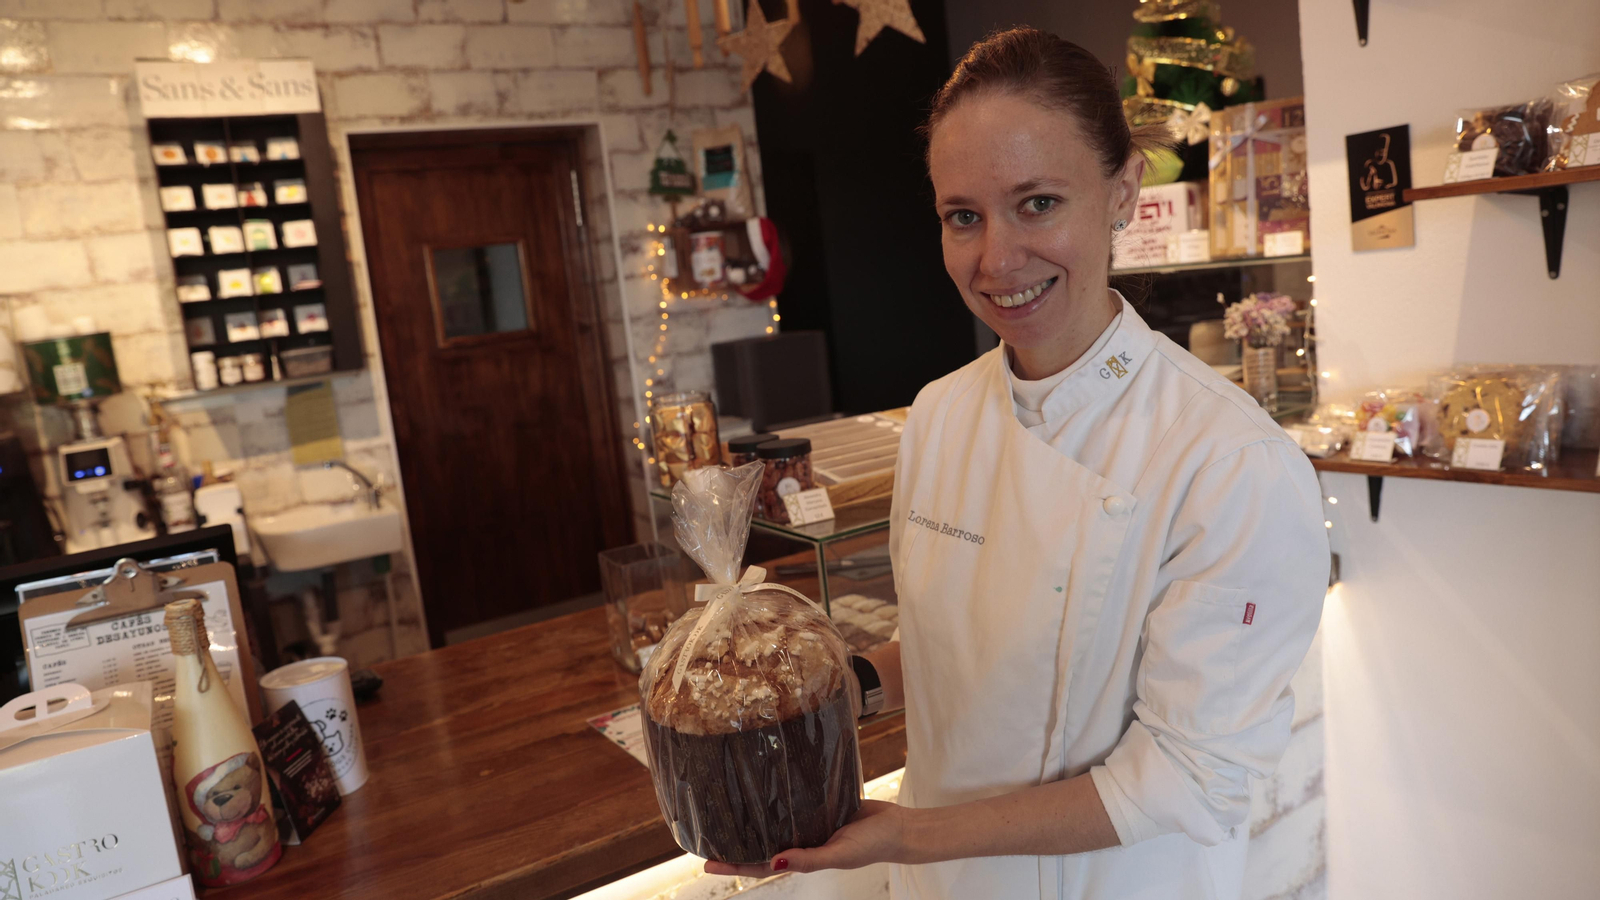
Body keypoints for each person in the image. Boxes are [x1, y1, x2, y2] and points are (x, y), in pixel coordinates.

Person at [705, 27, 1329, 900]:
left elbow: (1191, 776)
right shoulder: (939, 415)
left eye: (1037, 202)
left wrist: (910, 837)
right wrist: (830, 692)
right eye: (964, 216)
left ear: (1122, 194)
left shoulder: (1230, 461)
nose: (996, 258)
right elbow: (958, 652)